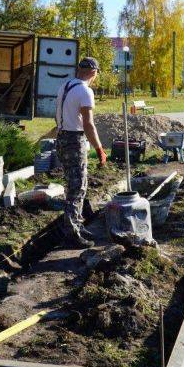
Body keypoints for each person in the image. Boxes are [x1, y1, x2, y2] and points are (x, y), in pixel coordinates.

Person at [55, 57, 107, 247]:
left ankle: (76, 223)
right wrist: (99, 148)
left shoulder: (65, 86)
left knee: (73, 183)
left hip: (61, 138)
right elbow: (88, 124)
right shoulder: (85, 91)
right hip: (74, 141)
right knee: (77, 189)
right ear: (94, 73)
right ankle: (71, 234)